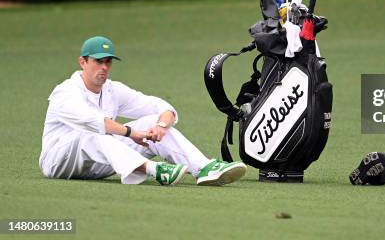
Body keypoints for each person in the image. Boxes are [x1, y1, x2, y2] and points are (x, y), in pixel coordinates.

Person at [39, 36, 247, 186]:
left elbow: (161, 107)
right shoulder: (65, 92)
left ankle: (203, 168)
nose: (104, 67)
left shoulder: (112, 89)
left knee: (149, 122)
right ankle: (156, 170)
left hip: (97, 165)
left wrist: (161, 126)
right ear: (83, 62)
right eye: (98, 61)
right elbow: (95, 122)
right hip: (59, 162)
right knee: (93, 135)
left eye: (108, 62)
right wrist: (131, 133)